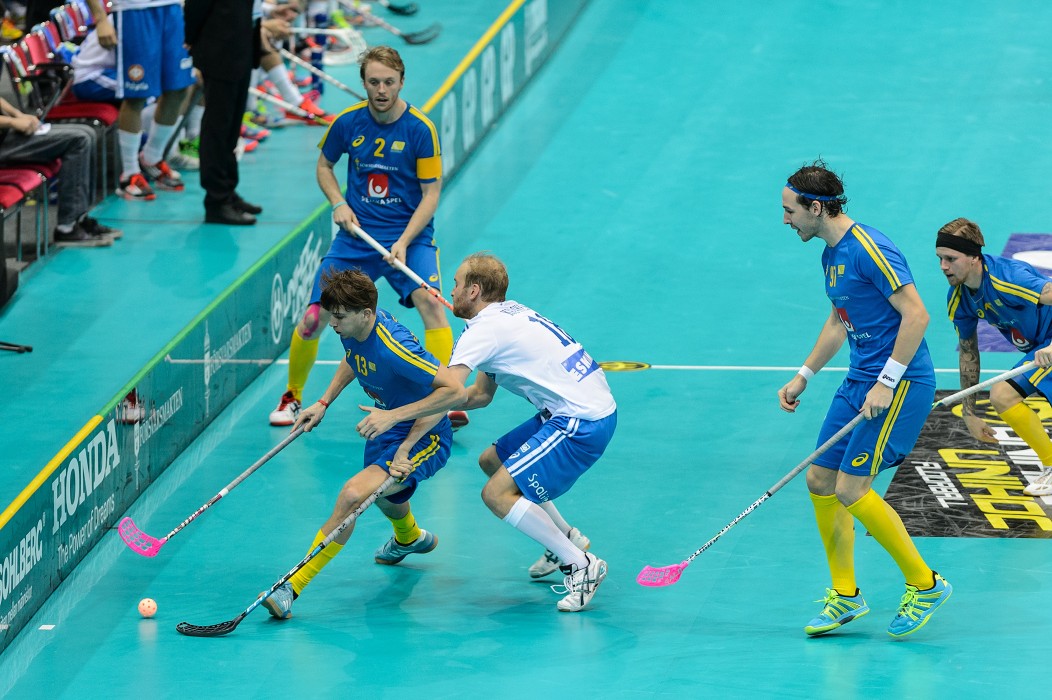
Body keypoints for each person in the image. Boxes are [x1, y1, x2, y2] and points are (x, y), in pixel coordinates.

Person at [355, 253, 615, 613]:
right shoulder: (507, 314)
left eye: (457, 284)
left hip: (581, 420)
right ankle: (565, 540)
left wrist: (395, 419)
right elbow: (478, 395)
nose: (451, 291)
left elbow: (449, 393)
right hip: (578, 408)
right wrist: (417, 430)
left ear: (474, 290)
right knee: (492, 461)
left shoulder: (482, 332)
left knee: (496, 494)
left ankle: (581, 565)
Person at [777, 160, 951, 638]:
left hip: (900, 383)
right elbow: (840, 320)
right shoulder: (830, 256)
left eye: (790, 211)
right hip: (859, 380)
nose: (786, 220)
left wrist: (887, 381)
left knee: (852, 488)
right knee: (819, 479)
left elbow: (917, 315)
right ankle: (846, 596)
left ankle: (926, 584)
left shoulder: (870, 249)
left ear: (817, 208)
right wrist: (804, 375)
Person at [269, 45, 464, 433]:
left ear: (402, 81)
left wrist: (404, 240)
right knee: (314, 317)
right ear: (363, 83)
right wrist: (338, 202)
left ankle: (440, 401)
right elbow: (324, 166)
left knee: (431, 304)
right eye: (374, 82)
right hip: (356, 236)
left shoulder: (420, 129)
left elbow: (431, 195)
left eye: (389, 82)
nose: (381, 90)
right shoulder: (347, 123)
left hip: (409, 236)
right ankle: (292, 396)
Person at [262, 268, 454, 620]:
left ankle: (291, 586)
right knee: (381, 495)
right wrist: (324, 401)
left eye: (338, 317)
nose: (332, 324)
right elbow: (354, 358)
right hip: (385, 424)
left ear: (366, 314)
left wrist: (398, 427)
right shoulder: (352, 327)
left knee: (353, 495)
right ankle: (409, 538)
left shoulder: (397, 348)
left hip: (425, 432)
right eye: (331, 316)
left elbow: (454, 391)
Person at [935, 217, 1052, 497]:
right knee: (1002, 396)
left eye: (951, 259)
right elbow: (968, 352)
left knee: (1003, 393)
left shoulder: (1008, 279)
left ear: (974, 257)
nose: (943, 266)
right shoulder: (959, 298)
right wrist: (969, 412)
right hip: (1041, 349)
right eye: (940, 258)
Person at [97, 0, 194, 201]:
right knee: (136, 94)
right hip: (134, 10)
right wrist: (100, 19)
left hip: (173, 8)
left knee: (178, 89)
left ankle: (152, 157)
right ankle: (129, 174)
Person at [0, 97, 121, 247]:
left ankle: (80, 218)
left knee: (87, 132)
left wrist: (17, 114)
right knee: (79, 140)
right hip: (4, 142)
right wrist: (12, 122)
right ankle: (67, 227)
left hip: (7, 133)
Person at [184, 0, 264, 225]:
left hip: (243, 42)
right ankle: (216, 201)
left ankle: (228, 192)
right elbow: (196, 6)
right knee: (218, 128)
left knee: (231, 128)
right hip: (220, 47)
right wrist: (191, 38)